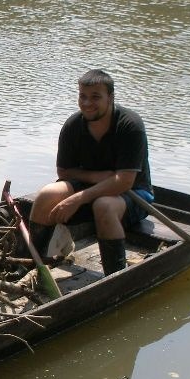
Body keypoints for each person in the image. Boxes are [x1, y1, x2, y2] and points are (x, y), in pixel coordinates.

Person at [28, 69, 153, 275]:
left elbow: (124, 182)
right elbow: (64, 171)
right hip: (90, 189)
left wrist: (77, 199)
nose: (87, 103)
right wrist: (95, 178)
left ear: (110, 98)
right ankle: (34, 266)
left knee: (104, 205)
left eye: (95, 97)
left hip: (134, 195)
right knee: (47, 195)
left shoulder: (130, 125)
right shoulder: (73, 126)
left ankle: (114, 278)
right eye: (83, 96)